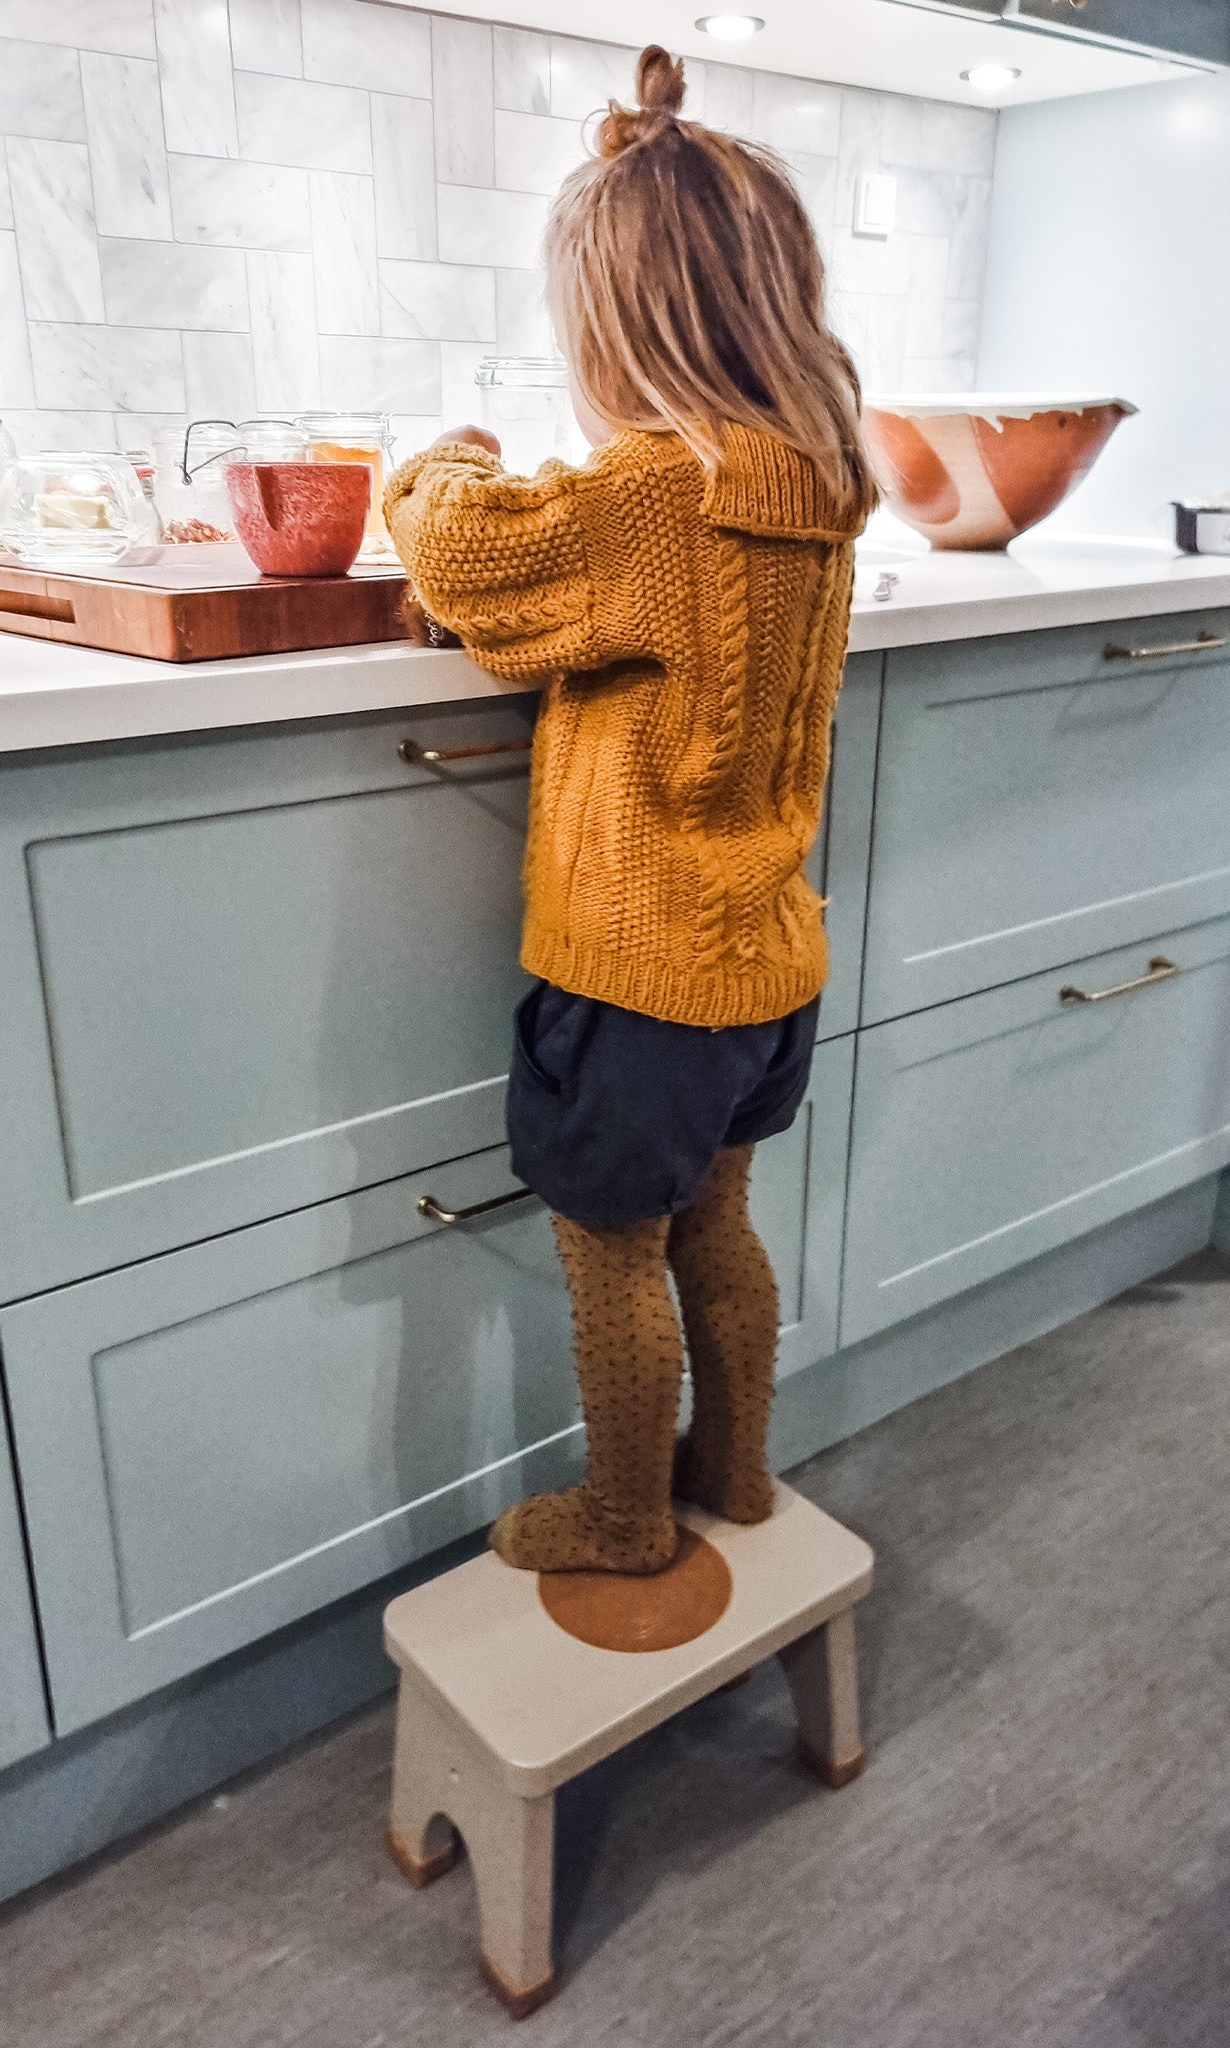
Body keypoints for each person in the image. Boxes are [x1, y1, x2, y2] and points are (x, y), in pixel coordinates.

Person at [383, 44, 876, 1575]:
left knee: (614, 1259)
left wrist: (427, 467)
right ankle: (732, 1476)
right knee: (718, 1229)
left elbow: (464, 557)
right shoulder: (808, 478)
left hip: (634, 976)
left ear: (616, 321)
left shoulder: (657, 493)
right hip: (762, 966)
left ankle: (619, 1520)